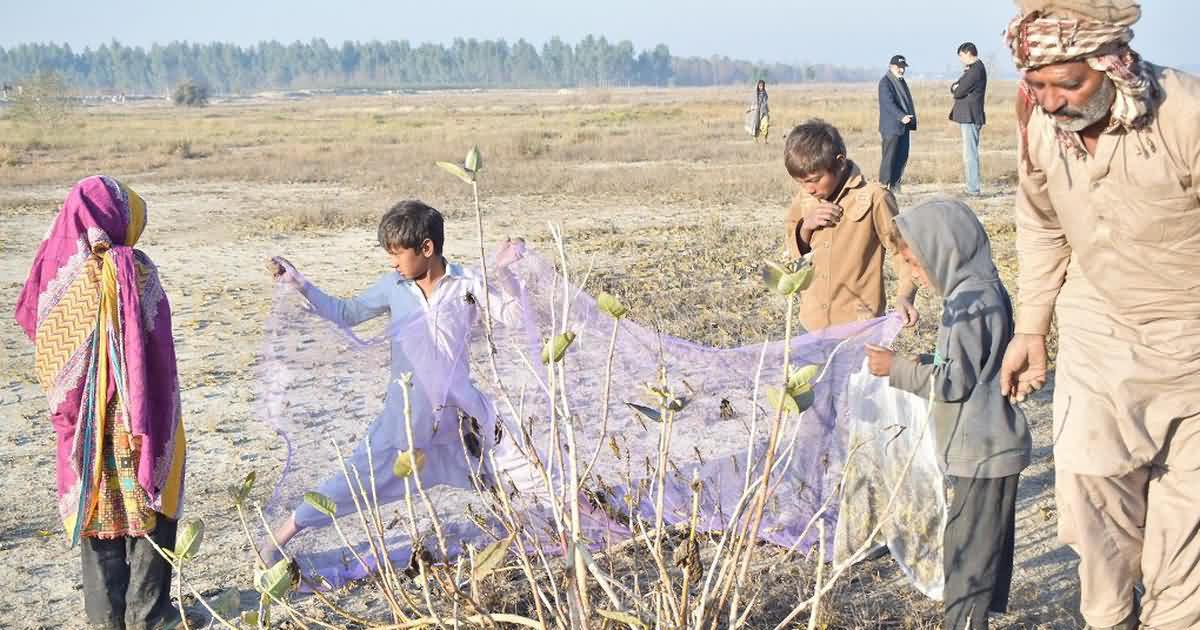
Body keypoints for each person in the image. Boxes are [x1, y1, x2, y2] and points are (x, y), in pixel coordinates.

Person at [999, 1, 1200, 628]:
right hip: (1095, 328)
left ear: (1114, 66)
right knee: (1090, 497)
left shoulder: (1185, 114)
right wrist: (1032, 328)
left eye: (1069, 84)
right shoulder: (1039, 125)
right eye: (1038, 84)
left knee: (1184, 541)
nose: (1052, 101)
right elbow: (1041, 221)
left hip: (1192, 345)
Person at [263, 200, 542, 557]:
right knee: (355, 480)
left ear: (426, 248)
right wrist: (300, 284)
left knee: (517, 464)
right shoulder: (393, 287)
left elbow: (515, 318)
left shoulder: (467, 284)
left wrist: (504, 273)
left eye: (397, 253)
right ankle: (277, 539)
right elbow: (345, 313)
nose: (392, 262)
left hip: (463, 415)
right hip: (407, 419)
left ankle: (569, 520)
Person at [15, 176, 188, 630]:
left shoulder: (54, 275)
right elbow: (155, 351)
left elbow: (41, 340)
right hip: (136, 418)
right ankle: (148, 614)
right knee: (149, 507)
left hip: (81, 430)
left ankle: (105, 617)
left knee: (98, 514)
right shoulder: (134, 270)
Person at [865, 199, 1030, 629]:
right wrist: (925, 358)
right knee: (973, 549)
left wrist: (896, 369)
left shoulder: (967, 303)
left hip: (985, 451)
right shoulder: (981, 288)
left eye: (915, 264)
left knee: (968, 558)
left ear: (944, 252)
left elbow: (954, 382)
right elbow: (974, 364)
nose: (915, 276)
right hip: (987, 448)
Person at [782, 119, 918, 332]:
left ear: (840, 162)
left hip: (858, 326)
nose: (809, 189)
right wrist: (805, 228)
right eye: (801, 182)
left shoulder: (874, 198)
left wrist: (905, 296)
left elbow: (905, 253)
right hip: (811, 323)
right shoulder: (803, 200)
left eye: (815, 180)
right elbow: (792, 260)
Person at [950, 42, 988, 196]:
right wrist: (956, 87)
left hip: (970, 116)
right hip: (970, 116)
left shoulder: (975, 70)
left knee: (970, 154)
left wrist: (956, 88)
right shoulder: (973, 69)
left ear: (968, 53)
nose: (960, 59)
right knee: (969, 152)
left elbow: (958, 91)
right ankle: (972, 187)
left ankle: (973, 189)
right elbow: (955, 86)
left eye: (961, 55)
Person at [878, 54, 918, 193]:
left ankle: (895, 185)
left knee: (902, 157)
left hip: (903, 127)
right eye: (898, 67)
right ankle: (883, 187)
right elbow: (888, 103)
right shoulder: (885, 82)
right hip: (891, 127)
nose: (901, 69)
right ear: (891, 67)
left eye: (903, 67)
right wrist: (901, 117)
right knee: (889, 158)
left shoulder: (901, 81)